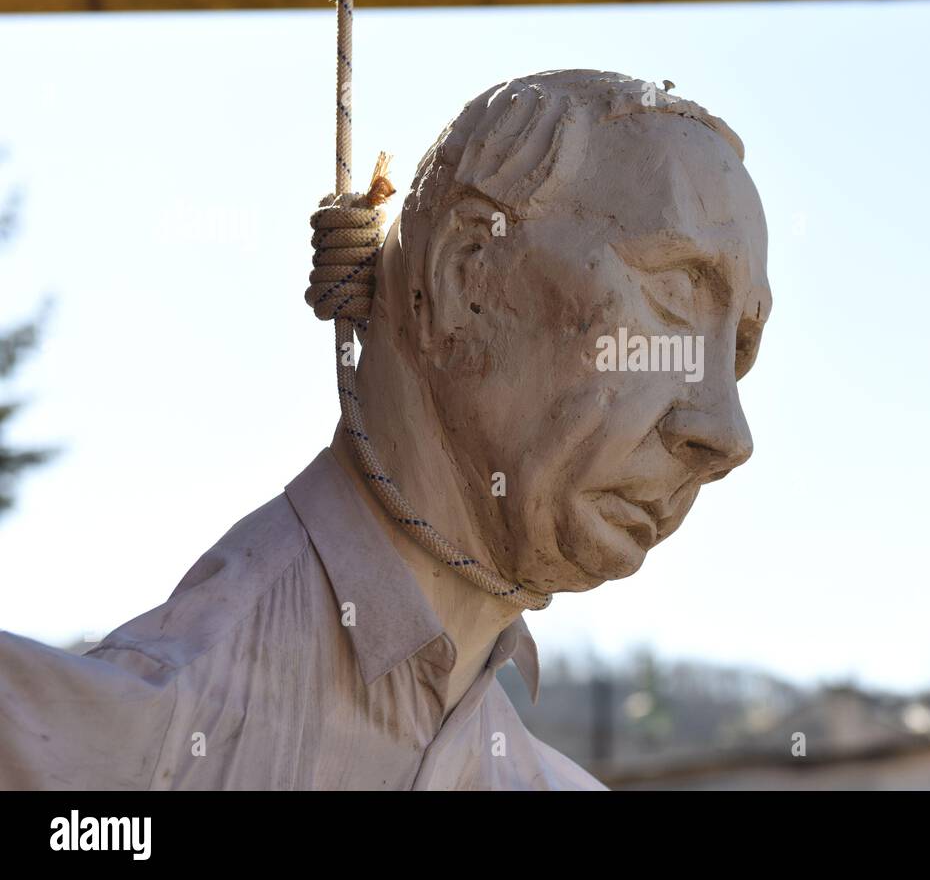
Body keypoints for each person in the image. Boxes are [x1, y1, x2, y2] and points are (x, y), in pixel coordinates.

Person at [0, 69, 772, 789]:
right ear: (464, 274)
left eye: (737, 348)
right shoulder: (85, 755)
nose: (727, 436)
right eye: (672, 295)